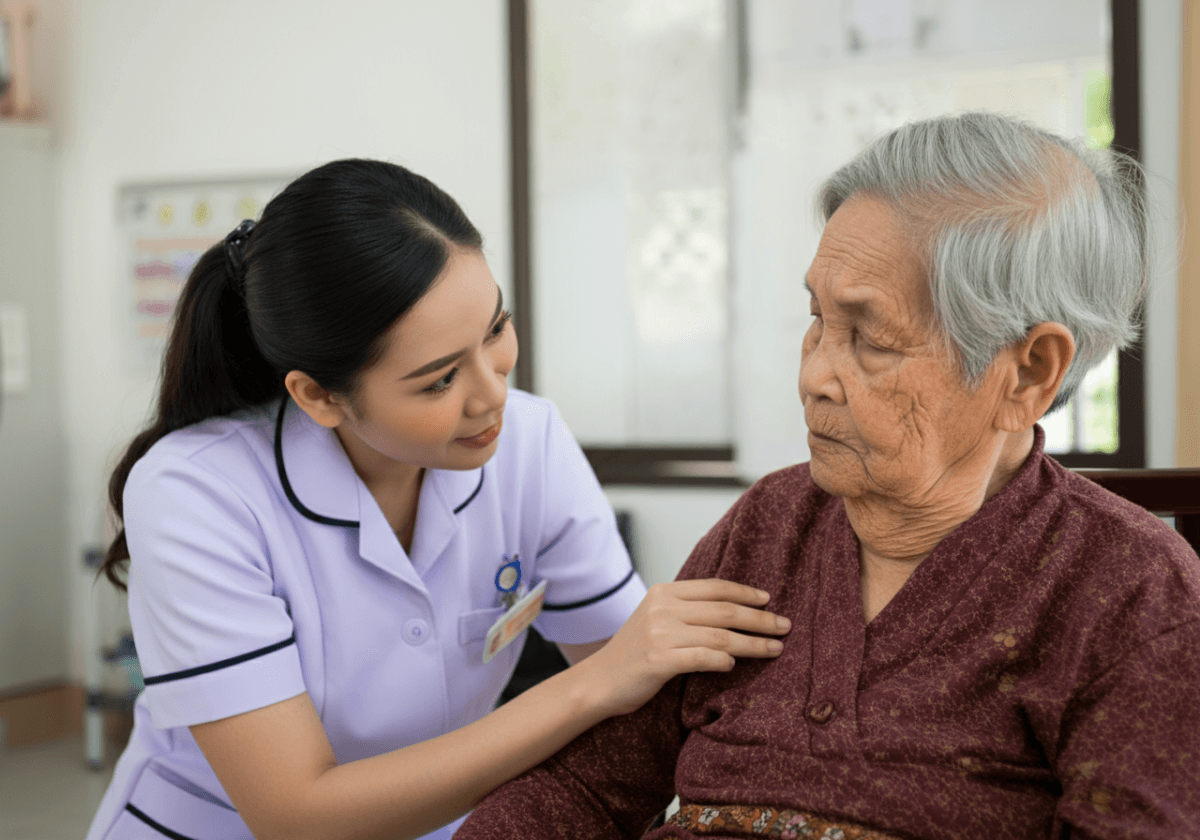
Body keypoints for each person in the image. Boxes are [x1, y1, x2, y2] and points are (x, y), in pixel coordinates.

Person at [453, 112, 1200, 839]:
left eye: (870, 338)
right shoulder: (770, 524)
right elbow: (588, 788)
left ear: (1030, 372)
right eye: (816, 319)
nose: (814, 374)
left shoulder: (1130, 592)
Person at [84, 159, 792, 840]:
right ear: (320, 396)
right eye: (438, 381)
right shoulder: (196, 492)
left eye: (495, 330)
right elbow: (296, 815)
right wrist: (593, 685)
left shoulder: (530, 443)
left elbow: (639, 684)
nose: (493, 394)